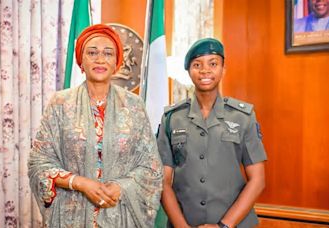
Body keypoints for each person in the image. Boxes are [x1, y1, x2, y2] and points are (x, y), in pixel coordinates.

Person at [28, 24, 163, 227]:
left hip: (120, 214)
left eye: (108, 53)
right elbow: (39, 162)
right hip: (72, 216)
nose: (100, 59)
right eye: (92, 52)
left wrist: (121, 187)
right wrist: (80, 183)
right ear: (81, 60)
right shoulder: (60, 103)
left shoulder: (134, 106)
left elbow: (151, 166)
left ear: (117, 61)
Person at [157, 38, 267, 228]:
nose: (205, 70)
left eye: (213, 64)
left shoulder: (243, 117)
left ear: (223, 69)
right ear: (189, 72)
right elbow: (163, 182)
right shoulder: (172, 118)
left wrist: (224, 226)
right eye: (197, 65)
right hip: (185, 223)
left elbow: (258, 180)